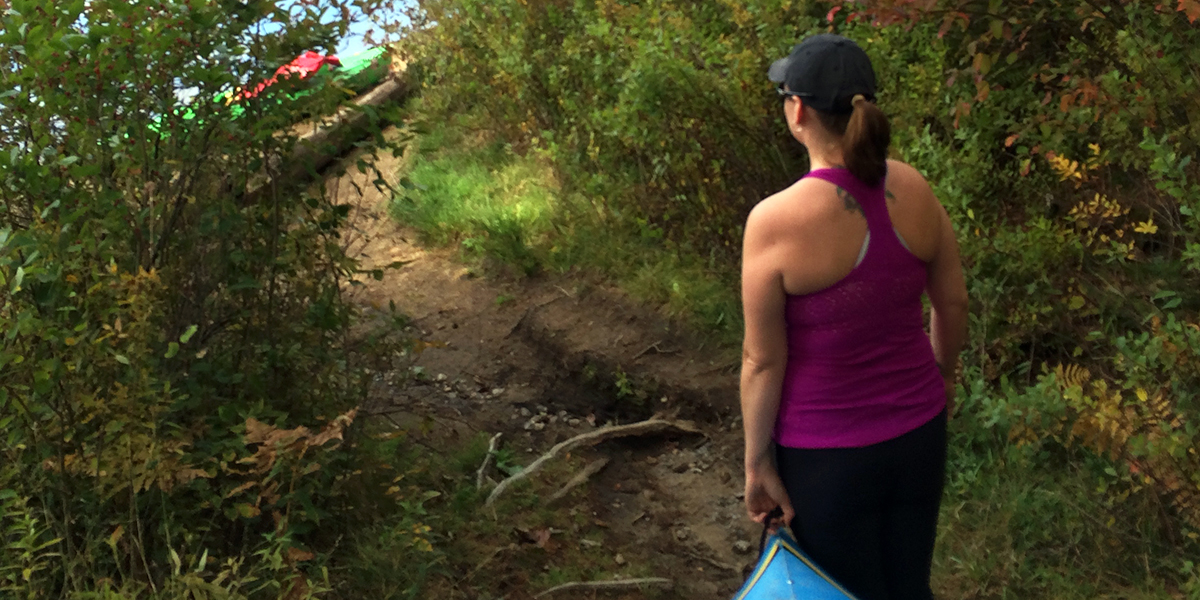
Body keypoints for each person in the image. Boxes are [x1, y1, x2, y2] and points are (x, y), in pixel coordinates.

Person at [739, 33, 969, 600]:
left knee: (841, 590)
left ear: (797, 111)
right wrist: (941, 375)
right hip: (919, 433)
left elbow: (762, 361)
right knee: (908, 585)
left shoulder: (776, 221)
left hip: (826, 456)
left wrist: (756, 463)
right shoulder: (913, 187)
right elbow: (953, 303)